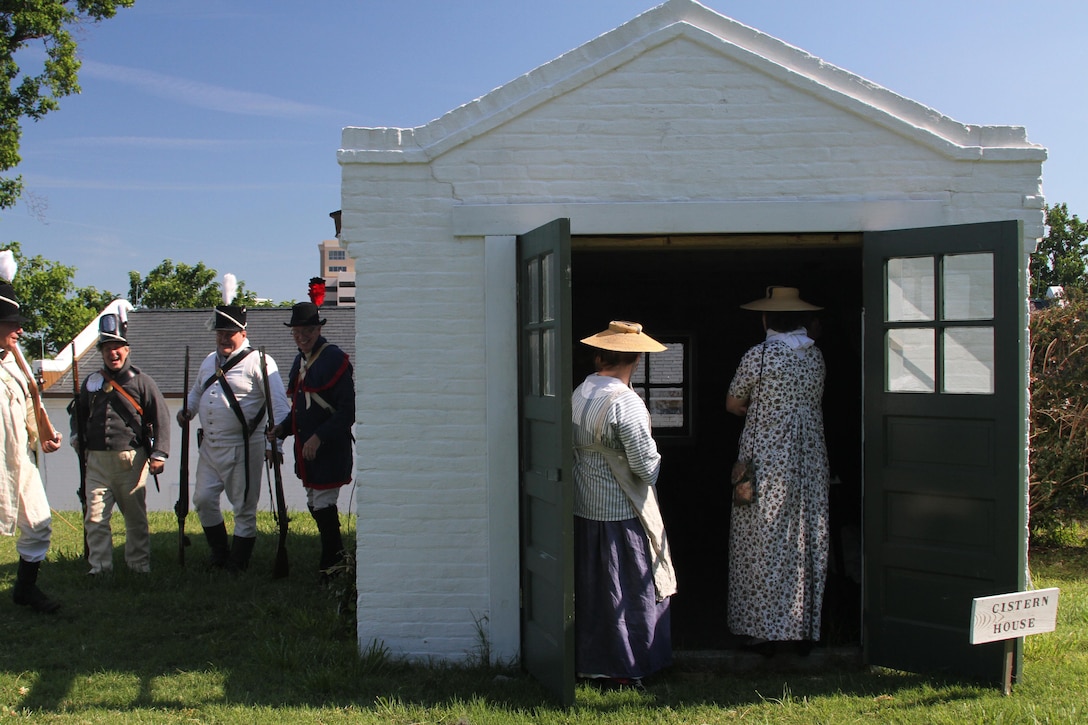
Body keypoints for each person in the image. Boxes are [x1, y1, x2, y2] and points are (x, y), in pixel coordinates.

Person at [725, 286, 830, 656]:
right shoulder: (814, 357)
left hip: (767, 461)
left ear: (768, 319)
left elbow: (734, 402)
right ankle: (800, 627)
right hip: (809, 461)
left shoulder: (762, 355)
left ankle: (766, 630)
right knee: (804, 537)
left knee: (763, 540)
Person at [572, 320, 676, 689]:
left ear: (600, 356)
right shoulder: (625, 402)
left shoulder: (581, 392)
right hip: (621, 510)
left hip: (586, 504)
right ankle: (624, 665)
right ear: (635, 359)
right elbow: (646, 468)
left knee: (596, 591)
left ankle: (591, 662)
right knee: (627, 590)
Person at [178, 292, 289, 571]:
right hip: (210, 447)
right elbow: (196, 392)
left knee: (243, 508)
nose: (224, 338)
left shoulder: (260, 362)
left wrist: (276, 446)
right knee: (202, 500)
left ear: (243, 333)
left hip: (244, 446)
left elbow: (279, 407)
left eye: (230, 333)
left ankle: (238, 563)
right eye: (220, 333)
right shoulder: (208, 361)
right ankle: (219, 552)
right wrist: (188, 411)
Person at [70, 311, 170, 575]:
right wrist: (76, 436)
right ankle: (99, 568)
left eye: (117, 348)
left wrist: (159, 453)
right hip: (96, 462)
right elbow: (78, 413)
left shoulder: (141, 381)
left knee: (135, 519)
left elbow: (161, 417)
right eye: (107, 349)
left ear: (127, 350)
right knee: (94, 518)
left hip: (130, 460)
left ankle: (138, 566)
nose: (112, 354)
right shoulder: (92, 382)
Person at [269, 298, 355, 579]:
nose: (301, 337)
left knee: (323, 506)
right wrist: (282, 429)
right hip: (306, 451)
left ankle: (332, 566)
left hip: (329, 449)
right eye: (296, 332)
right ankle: (336, 560)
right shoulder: (299, 360)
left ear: (318, 330)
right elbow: (300, 409)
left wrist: (319, 437)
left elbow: (347, 411)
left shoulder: (335, 360)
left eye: (307, 331)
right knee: (315, 505)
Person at [0, 277, 63, 613]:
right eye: (13, 324)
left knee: (38, 523)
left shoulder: (13, 359)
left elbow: (28, 404)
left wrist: (43, 436)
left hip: (19, 458)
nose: (20, 332)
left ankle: (25, 589)